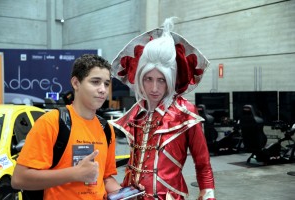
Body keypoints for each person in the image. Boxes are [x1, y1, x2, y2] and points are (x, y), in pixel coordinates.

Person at [109, 18, 216, 200]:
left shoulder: (185, 113)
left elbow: (203, 164)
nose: (154, 88)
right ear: (140, 78)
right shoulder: (137, 112)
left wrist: (207, 193)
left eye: (161, 80)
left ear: (171, 80)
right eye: (148, 79)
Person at [11, 54, 122, 199]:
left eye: (106, 84)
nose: (103, 90)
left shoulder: (106, 128)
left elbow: (106, 178)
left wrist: (125, 194)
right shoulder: (52, 122)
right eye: (95, 82)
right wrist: (75, 173)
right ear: (76, 83)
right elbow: (19, 179)